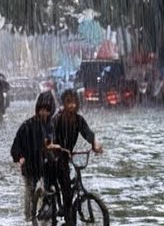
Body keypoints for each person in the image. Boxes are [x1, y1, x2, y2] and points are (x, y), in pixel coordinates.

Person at [50, 90, 104, 226]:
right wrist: (54, 146)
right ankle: (66, 214)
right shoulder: (57, 119)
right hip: (55, 155)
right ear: (64, 104)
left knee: (69, 182)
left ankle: (68, 212)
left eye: (74, 102)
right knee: (65, 187)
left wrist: (95, 145)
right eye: (69, 102)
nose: (72, 106)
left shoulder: (79, 120)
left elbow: (88, 133)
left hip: (67, 155)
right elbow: (50, 136)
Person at [11, 92, 56, 222]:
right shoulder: (27, 125)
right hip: (30, 164)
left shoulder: (51, 126)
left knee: (46, 191)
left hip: (44, 165)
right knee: (29, 191)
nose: (43, 113)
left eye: (47, 110)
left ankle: (43, 217)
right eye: (41, 110)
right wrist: (19, 157)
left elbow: (53, 145)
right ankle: (28, 218)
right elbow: (16, 146)